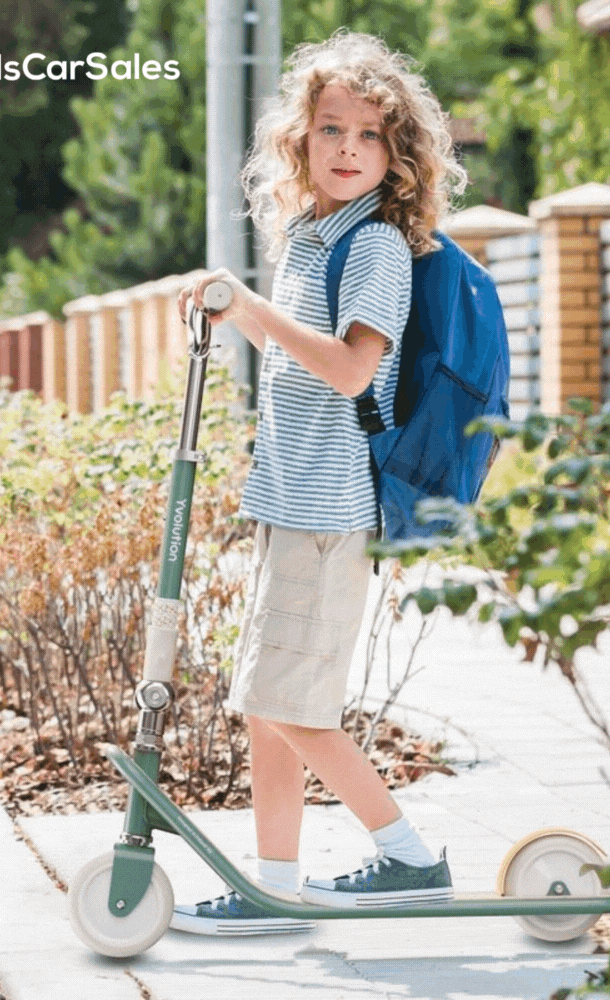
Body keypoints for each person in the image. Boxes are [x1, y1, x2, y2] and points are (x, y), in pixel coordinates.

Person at [169, 30, 468, 935]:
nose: (347, 148)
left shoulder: (373, 245)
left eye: (369, 136)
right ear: (300, 141)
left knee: (292, 709)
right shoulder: (309, 237)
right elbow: (291, 356)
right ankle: (274, 883)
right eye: (331, 129)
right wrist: (232, 305)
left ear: (398, 153)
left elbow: (347, 370)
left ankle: (410, 857)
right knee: (269, 706)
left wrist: (248, 306)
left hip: (331, 507)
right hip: (288, 498)